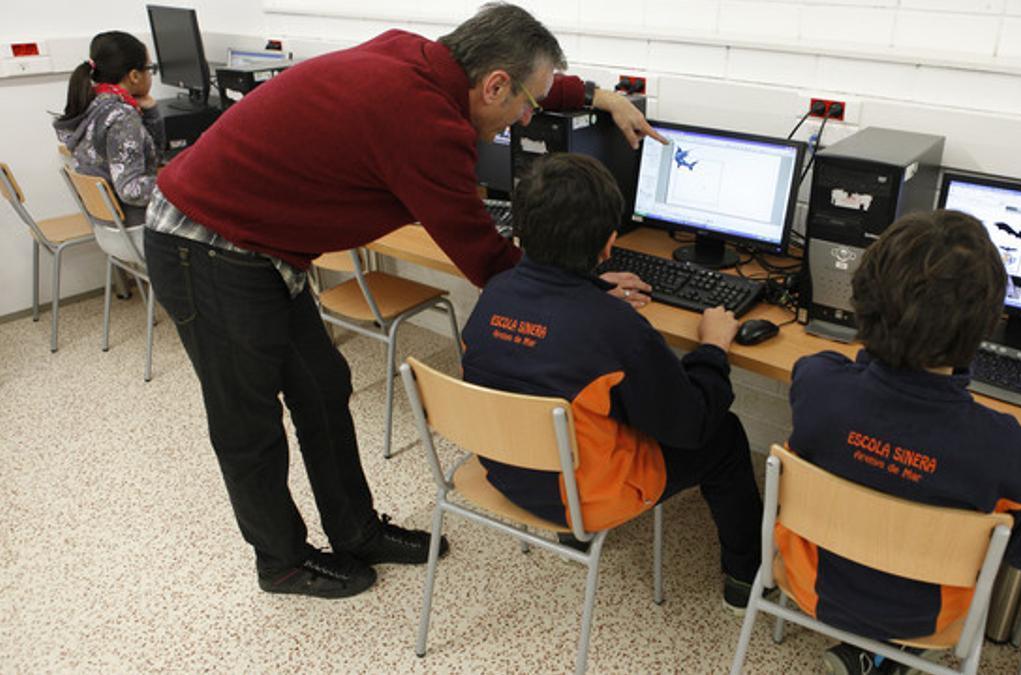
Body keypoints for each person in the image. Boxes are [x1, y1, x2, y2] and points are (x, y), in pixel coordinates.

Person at [142, 3, 663, 600]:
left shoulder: (418, 56)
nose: (526, 118)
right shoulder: (426, 124)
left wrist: (602, 97)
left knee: (322, 387)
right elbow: (489, 263)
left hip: (260, 246)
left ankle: (356, 531)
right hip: (202, 242)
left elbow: (520, 76)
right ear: (494, 84)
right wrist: (593, 279)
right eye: (527, 105)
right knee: (247, 421)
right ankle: (280, 562)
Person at [780, 210, 1021, 673]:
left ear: (861, 301)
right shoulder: (1008, 449)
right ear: (986, 325)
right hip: (926, 616)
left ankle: (871, 651)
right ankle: (890, 652)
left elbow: (838, 370)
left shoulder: (818, 385)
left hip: (808, 581)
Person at [460, 153, 764, 610]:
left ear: (519, 231)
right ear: (609, 244)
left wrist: (592, 285)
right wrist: (713, 348)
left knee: (601, 399)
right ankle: (747, 575)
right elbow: (691, 425)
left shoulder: (492, 293)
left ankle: (576, 539)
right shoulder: (616, 329)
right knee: (724, 435)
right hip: (582, 497)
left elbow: (546, 339)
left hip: (505, 471)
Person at [53, 31, 164, 226]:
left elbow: (154, 157)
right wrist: (176, 184)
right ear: (135, 76)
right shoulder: (122, 118)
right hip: (136, 228)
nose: (150, 74)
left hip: (107, 227)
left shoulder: (92, 102)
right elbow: (131, 190)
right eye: (149, 68)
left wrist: (150, 111)